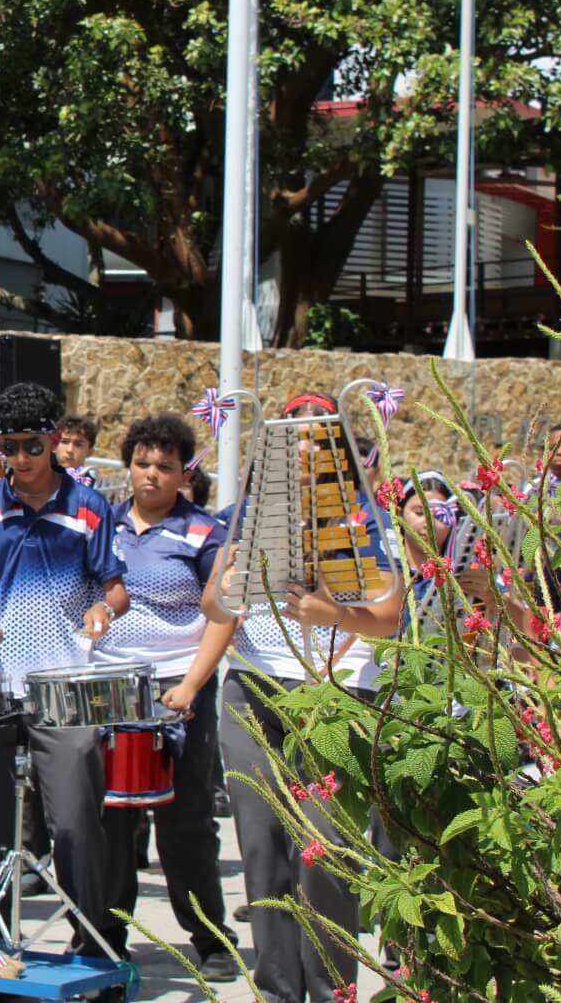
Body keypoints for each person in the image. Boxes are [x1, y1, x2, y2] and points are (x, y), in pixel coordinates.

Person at [201, 392, 403, 1003]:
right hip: (252, 690)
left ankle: (332, 991)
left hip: (335, 697)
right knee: (261, 851)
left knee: (324, 853)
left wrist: (332, 612)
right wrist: (227, 585)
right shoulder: (243, 513)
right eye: (292, 439)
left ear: (336, 450)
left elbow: (390, 617)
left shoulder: (366, 521)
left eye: (317, 441)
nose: (303, 451)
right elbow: (214, 608)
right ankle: (279, 991)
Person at [0, 381, 130, 959]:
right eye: (8, 447)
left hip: (63, 684)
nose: (19, 460)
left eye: (31, 447)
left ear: (56, 441)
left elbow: (117, 591)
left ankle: (93, 942)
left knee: (74, 823)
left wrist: (100, 608)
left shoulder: (91, 507)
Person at [96, 415, 239, 982]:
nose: (152, 475)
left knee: (184, 821)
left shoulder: (206, 533)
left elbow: (224, 613)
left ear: (184, 474)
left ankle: (210, 937)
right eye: (143, 463)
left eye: (166, 466)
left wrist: (192, 686)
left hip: (180, 687)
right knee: (107, 819)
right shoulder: (99, 525)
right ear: (128, 465)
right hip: (107, 687)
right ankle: (105, 936)